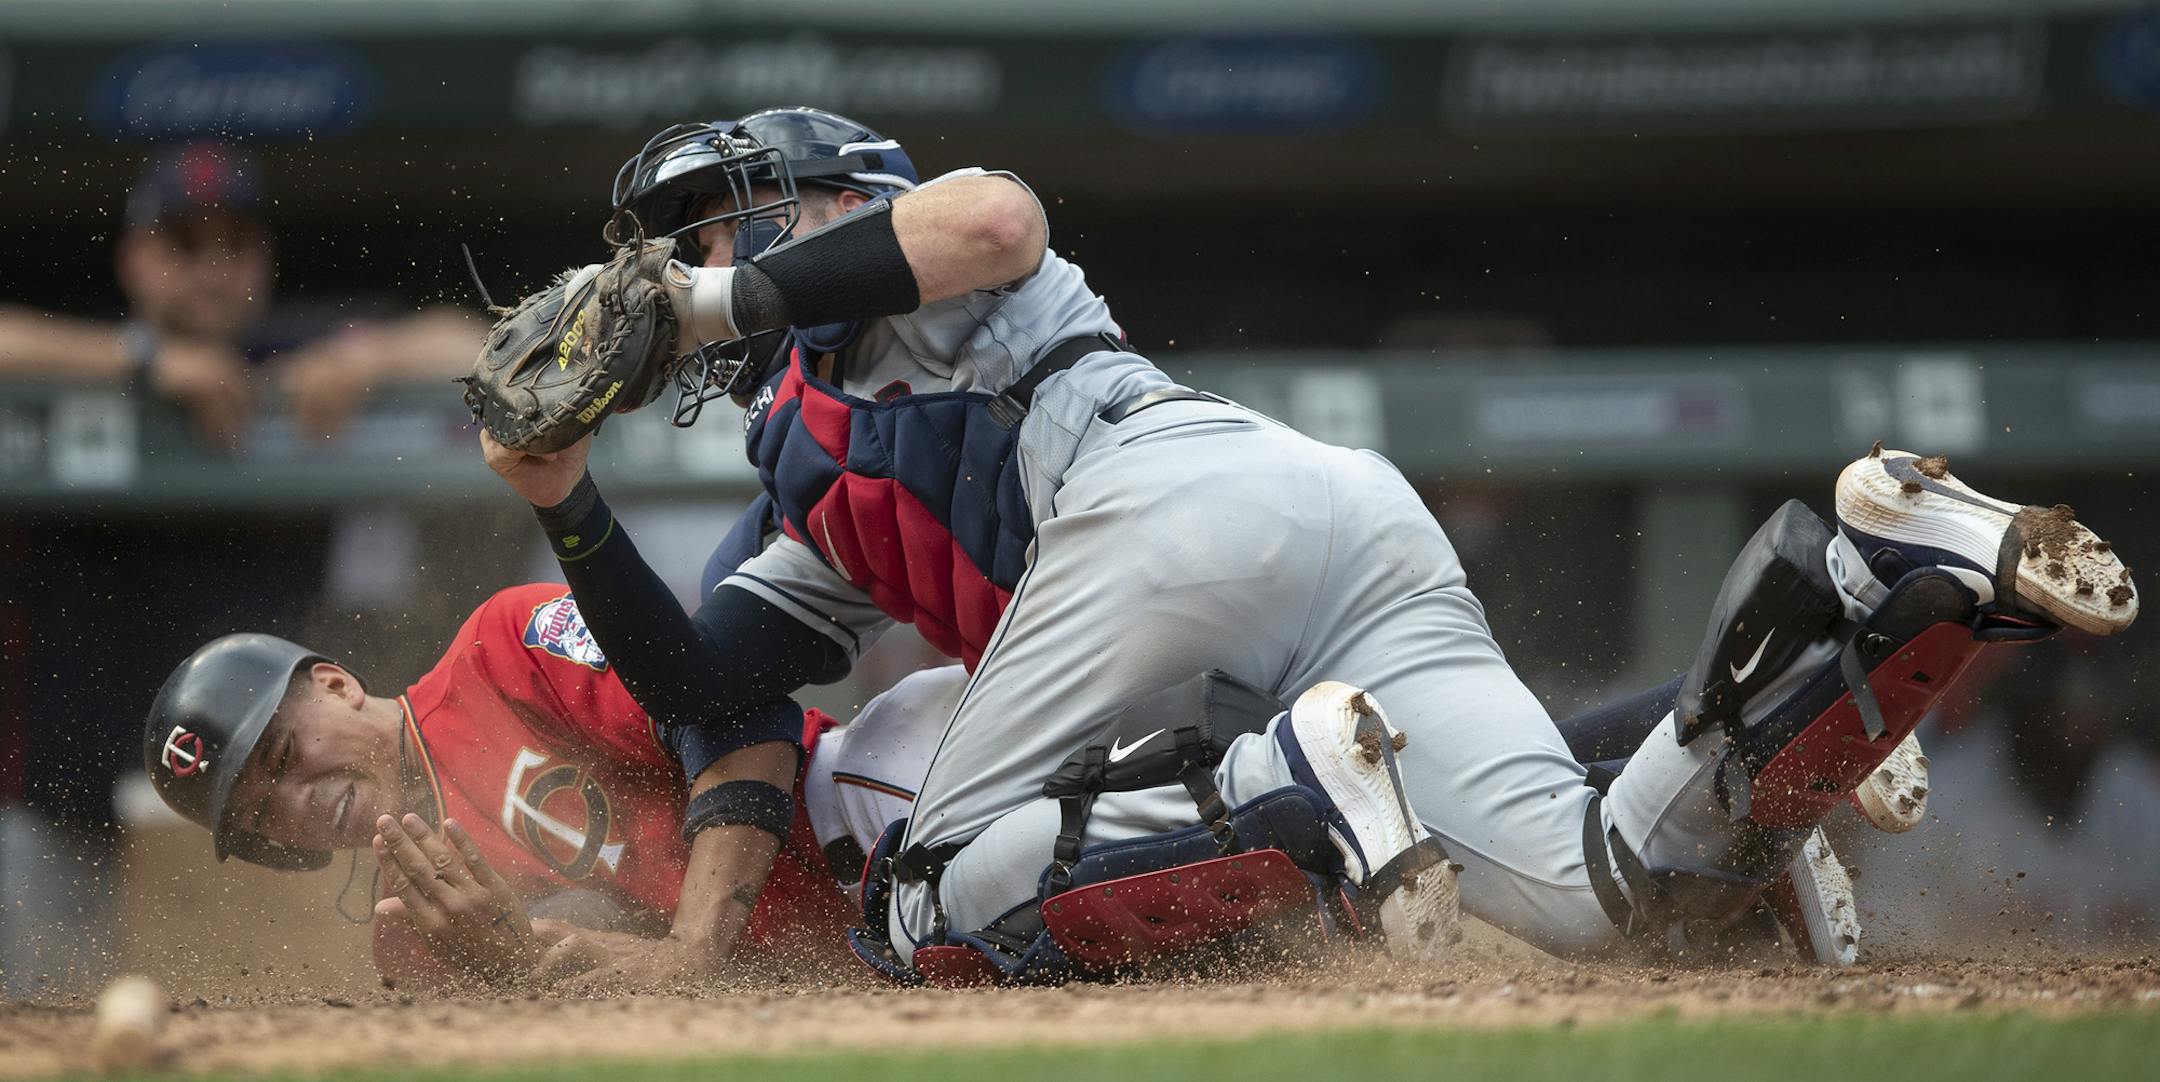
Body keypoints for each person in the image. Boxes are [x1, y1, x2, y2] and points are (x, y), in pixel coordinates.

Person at [478, 106, 2139, 982]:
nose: (682, 268)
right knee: (1603, 892)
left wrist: (709, 295)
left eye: (711, 219)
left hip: (1160, 507)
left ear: (816, 197)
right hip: (1330, 526)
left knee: (918, 911)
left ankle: (1299, 791)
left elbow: (993, 216)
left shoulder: (911, 270)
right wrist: (565, 498)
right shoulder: (800, 470)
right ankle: (1870, 583)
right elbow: (709, 689)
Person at [141, 583, 944, 990]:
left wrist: (689, 951)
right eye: (263, 817)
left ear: (337, 684)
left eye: (282, 756)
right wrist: (516, 963)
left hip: (875, 805)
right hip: (863, 964)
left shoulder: (502, 650)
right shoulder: (414, 932)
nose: (297, 803)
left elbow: (741, 718)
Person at [0, 140, 483, 447]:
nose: (214, 272)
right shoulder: (100, 350)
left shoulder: (285, 350)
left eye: (236, 245)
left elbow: (477, 346)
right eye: (183, 245)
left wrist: (366, 361)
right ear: (132, 259)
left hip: (290, 610)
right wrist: (148, 360)